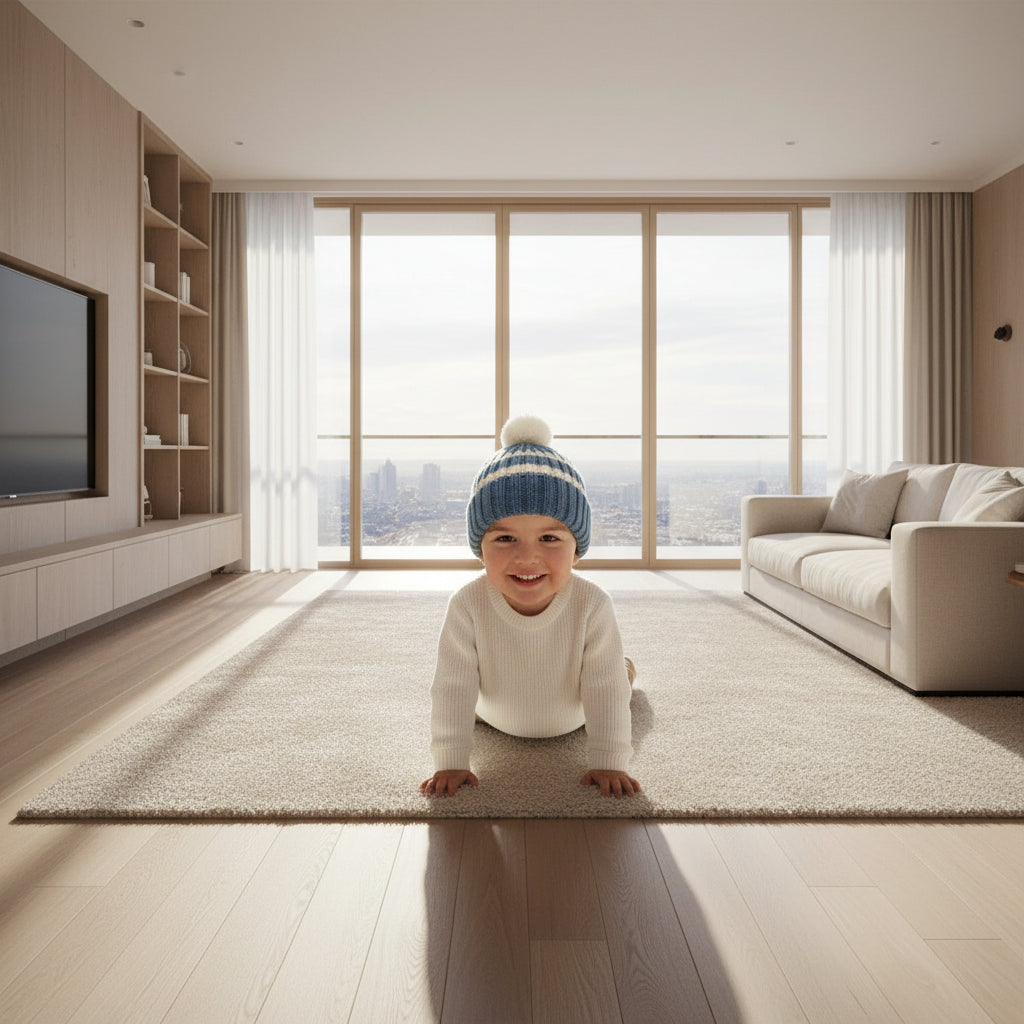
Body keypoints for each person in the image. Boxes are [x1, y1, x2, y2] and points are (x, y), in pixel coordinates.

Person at [419, 414, 641, 799]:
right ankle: (622, 666)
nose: (527, 557)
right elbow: (453, 686)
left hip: (576, 715)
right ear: (480, 550)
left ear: (577, 551)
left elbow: (602, 690)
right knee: (457, 683)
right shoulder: (467, 604)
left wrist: (609, 759)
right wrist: (451, 759)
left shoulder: (592, 603)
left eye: (549, 538)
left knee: (612, 679)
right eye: (505, 538)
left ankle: (625, 669)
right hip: (492, 713)